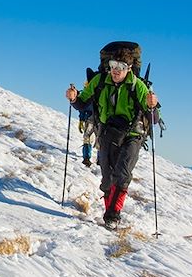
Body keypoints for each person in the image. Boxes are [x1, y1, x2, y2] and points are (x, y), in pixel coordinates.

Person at [65, 48, 159, 229]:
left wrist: (152, 106)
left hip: (133, 134)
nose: (116, 70)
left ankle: (112, 215)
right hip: (108, 132)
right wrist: (74, 98)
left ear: (129, 68)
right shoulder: (99, 81)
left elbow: (153, 118)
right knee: (107, 178)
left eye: (121, 66)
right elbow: (83, 103)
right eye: (113, 65)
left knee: (122, 173)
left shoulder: (138, 86)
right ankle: (110, 211)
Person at [78, 68, 97, 167]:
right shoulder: (87, 91)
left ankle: (100, 159)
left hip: (97, 119)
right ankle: (86, 158)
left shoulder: (100, 90)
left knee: (99, 140)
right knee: (87, 138)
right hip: (90, 118)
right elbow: (82, 107)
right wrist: (81, 119)